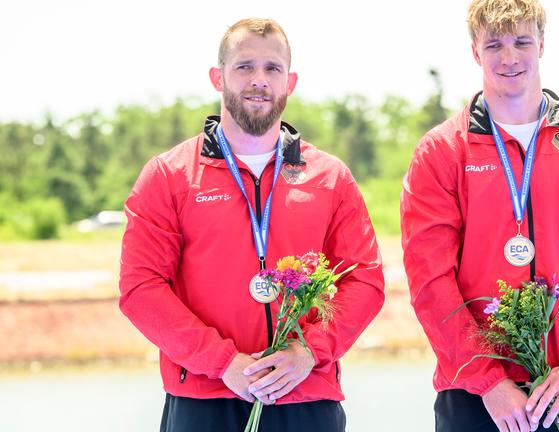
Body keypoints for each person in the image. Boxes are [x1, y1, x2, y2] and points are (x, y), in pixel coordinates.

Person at [119, 18, 384, 432]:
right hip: (205, 398)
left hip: (305, 393)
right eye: (244, 66)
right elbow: (141, 289)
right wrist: (222, 362)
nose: (259, 79)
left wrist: (309, 352)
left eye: (272, 68)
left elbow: (364, 280)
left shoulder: (331, 177)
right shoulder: (168, 176)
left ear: (289, 82)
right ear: (218, 76)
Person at [400, 1, 559, 431]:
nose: (509, 58)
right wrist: (487, 380)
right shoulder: (441, 151)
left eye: (521, 42)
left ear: (542, 45)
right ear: (475, 51)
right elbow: (429, 280)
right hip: (476, 394)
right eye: (494, 45)